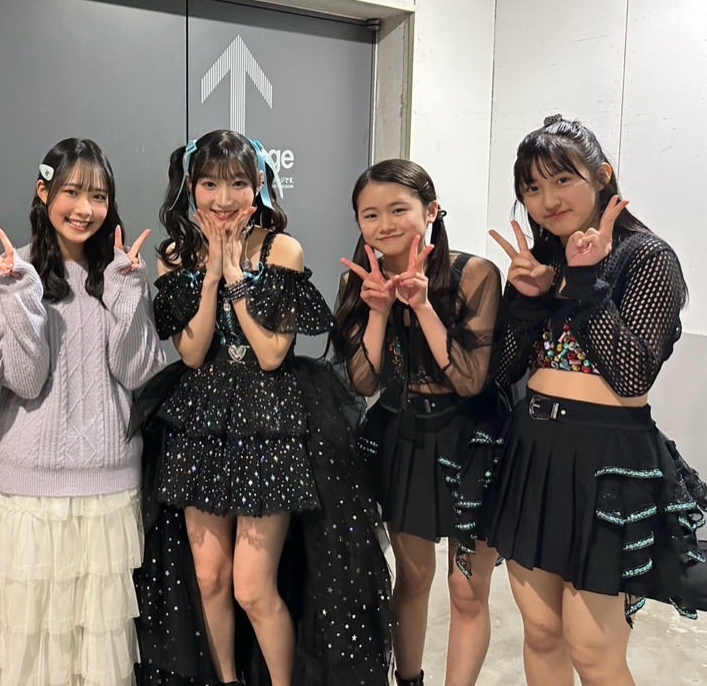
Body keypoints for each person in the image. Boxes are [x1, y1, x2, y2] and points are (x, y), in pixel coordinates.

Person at [135, 129, 392, 686]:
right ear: (190, 187)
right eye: (209, 184)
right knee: (209, 578)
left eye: (237, 183)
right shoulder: (174, 256)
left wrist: (235, 280)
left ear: (258, 187)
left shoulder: (282, 250)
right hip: (201, 422)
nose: (223, 198)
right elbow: (193, 352)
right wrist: (208, 277)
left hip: (267, 421)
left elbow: (273, 354)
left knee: (253, 587)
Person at [487, 114, 706, 686]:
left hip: (607, 459)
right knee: (540, 632)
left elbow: (632, 375)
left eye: (563, 180)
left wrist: (584, 285)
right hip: (533, 452)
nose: (548, 200)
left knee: (593, 649)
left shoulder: (646, 256)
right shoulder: (542, 259)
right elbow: (503, 372)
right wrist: (527, 300)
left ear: (602, 176)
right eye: (532, 188)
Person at [0, 137, 164, 686]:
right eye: (72, 192)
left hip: (109, 488)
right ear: (43, 192)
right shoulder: (10, 271)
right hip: (31, 492)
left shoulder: (123, 271)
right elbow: (25, 381)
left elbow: (139, 375)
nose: (84, 209)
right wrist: (20, 299)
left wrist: (126, 293)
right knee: (27, 653)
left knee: (96, 656)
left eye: (98, 196)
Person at [330, 158, 504, 686]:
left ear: (430, 211)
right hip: (403, 438)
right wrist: (379, 311)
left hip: (472, 442)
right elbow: (363, 383)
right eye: (370, 215)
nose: (384, 225)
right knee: (413, 578)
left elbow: (470, 380)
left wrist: (423, 306)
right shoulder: (359, 281)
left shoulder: (475, 274)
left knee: (466, 590)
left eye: (398, 209)